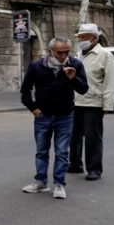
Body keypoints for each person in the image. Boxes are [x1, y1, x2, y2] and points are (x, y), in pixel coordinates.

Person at [20, 36, 88, 199]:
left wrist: (73, 78)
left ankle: (59, 184)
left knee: (62, 151)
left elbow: (84, 89)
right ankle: (41, 182)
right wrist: (33, 108)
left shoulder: (75, 64)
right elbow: (25, 90)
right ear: (50, 52)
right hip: (43, 115)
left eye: (67, 52)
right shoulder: (37, 66)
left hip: (65, 115)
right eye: (59, 53)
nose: (64, 56)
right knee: (42, 151)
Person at [68, 23, 114, 181]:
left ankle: (94, 168)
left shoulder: (104, 55)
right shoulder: (77, 55)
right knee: (73, 136)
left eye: (84, 37)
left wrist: (107, 105)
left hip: (93, 103)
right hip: (75, 101)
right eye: (80, 37)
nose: (81, 40)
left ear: (94, 38)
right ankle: (75, 163)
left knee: (92, 137)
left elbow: (110, 81)